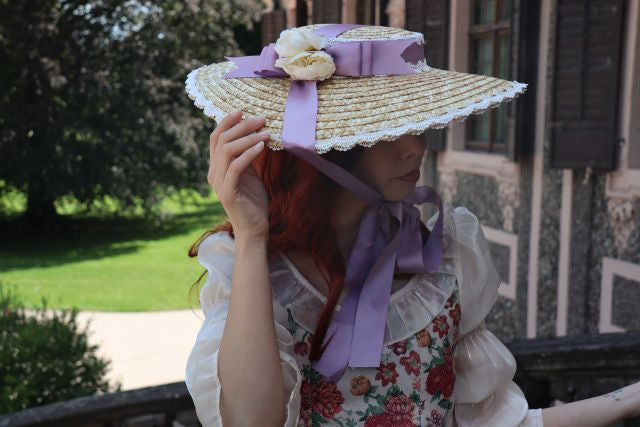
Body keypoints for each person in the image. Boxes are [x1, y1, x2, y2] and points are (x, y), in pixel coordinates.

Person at [183, 24, 640, 427]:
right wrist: (251, 237)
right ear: (319, 151)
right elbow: (250, 421)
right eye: (386, 131)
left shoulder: (443, 260)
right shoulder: (254, 275)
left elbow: (501, 422)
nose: (415, 148)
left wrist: (629, 398)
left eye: (417, 124)